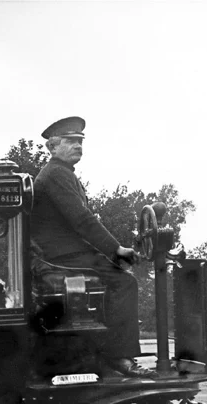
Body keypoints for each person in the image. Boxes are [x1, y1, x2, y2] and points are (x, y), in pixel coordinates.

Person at [31, 116, 153, 378]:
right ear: (52, 147)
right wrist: (116, 250)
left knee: (119, 279)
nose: (78, 146)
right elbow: (82, 220)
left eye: (80, 141)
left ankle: (106, 350)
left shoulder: (60, 174)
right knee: (124, 283)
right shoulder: (56, 175)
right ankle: (119, 357)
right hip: (62, 256)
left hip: (66, 253)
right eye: (71, 141)